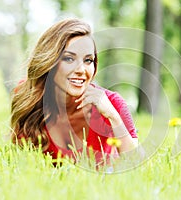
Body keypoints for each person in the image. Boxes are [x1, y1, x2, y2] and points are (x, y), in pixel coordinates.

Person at [10, 18, 138, 164]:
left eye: (88, 60)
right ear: (50, 62)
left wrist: (113, 117)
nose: (81, 70)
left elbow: (138, 164)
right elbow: (18, 162)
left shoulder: (112, 103)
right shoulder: (28, 96)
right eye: (69, 59)